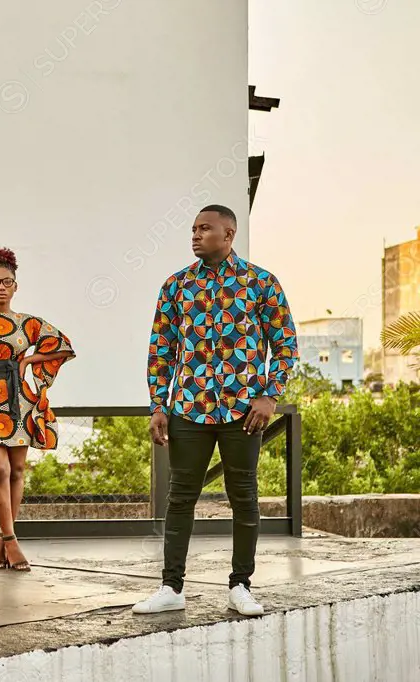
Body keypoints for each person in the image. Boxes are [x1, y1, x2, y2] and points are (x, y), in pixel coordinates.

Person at [133, 204, 298, 617]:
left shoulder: (261, 283)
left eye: (204, 228)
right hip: (189, 408)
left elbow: (286, 345)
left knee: (243, 497)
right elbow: (161, 351)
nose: (195, 235)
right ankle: (171, 587)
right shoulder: (176, 286)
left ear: (228, 235)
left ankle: (241, 585)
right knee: (180, 497)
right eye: (192, 228)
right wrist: (159, 404)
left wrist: (269, 395)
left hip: (244, 410)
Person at [0, 247, 75, 572]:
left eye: (7, 282)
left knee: (17, 471)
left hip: (18, 402)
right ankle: (11, 542)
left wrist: (28, 360)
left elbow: (62, 345)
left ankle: (1, 538)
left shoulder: (27, 324)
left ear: (15, 286)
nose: (1, 287)